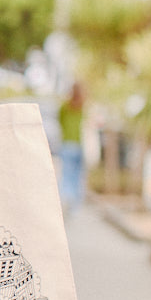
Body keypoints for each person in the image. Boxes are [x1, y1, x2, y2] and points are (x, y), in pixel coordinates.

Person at [58, 81, 86, 212]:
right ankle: (74, 204)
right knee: (76, 174)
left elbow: (60, 121)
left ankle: (67, 197)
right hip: (78, 144)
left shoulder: (65, 106)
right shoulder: (82, 106)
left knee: (67, 173)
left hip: (67, 144)